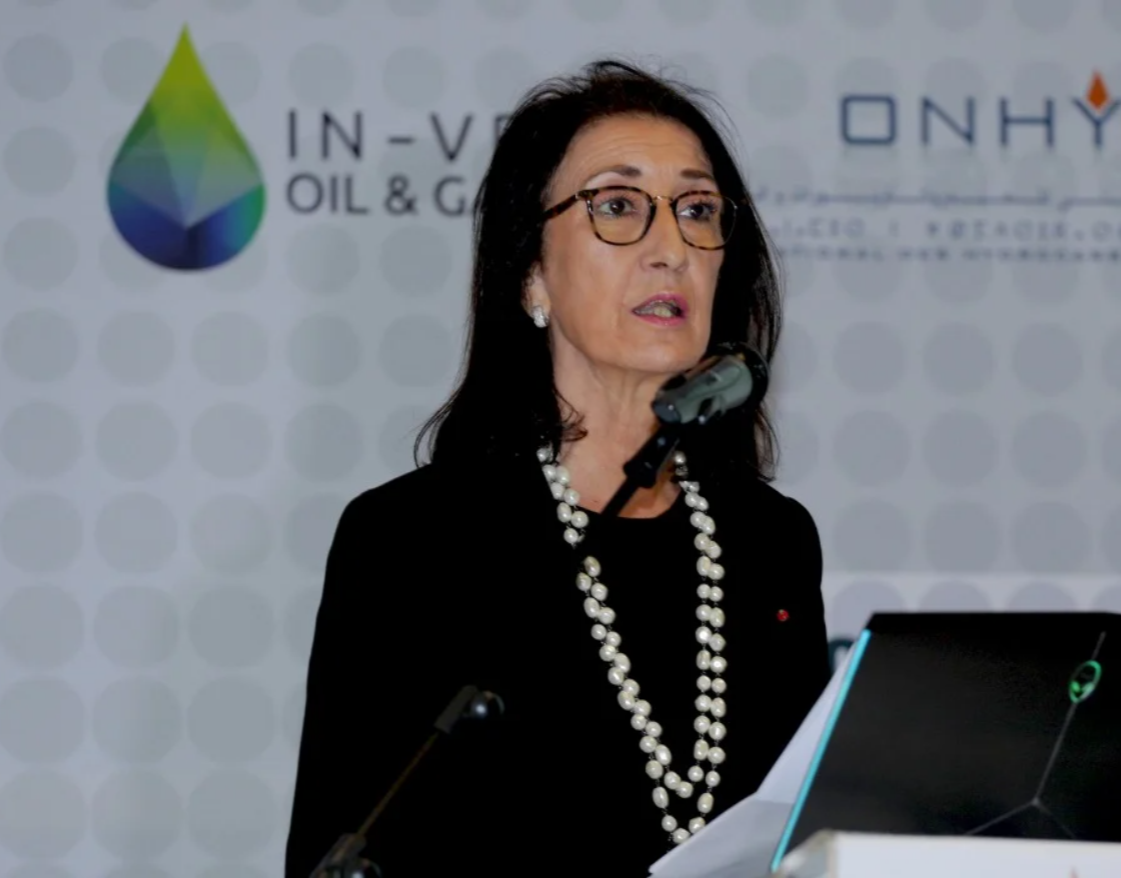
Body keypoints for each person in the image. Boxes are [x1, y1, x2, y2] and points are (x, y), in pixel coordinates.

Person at [282, 59, 831, 877]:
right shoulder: (412, 539)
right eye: (617, 206)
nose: (671, 249)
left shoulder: (771, 542)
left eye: (697, 210)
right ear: (530, 272)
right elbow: (339, 849)